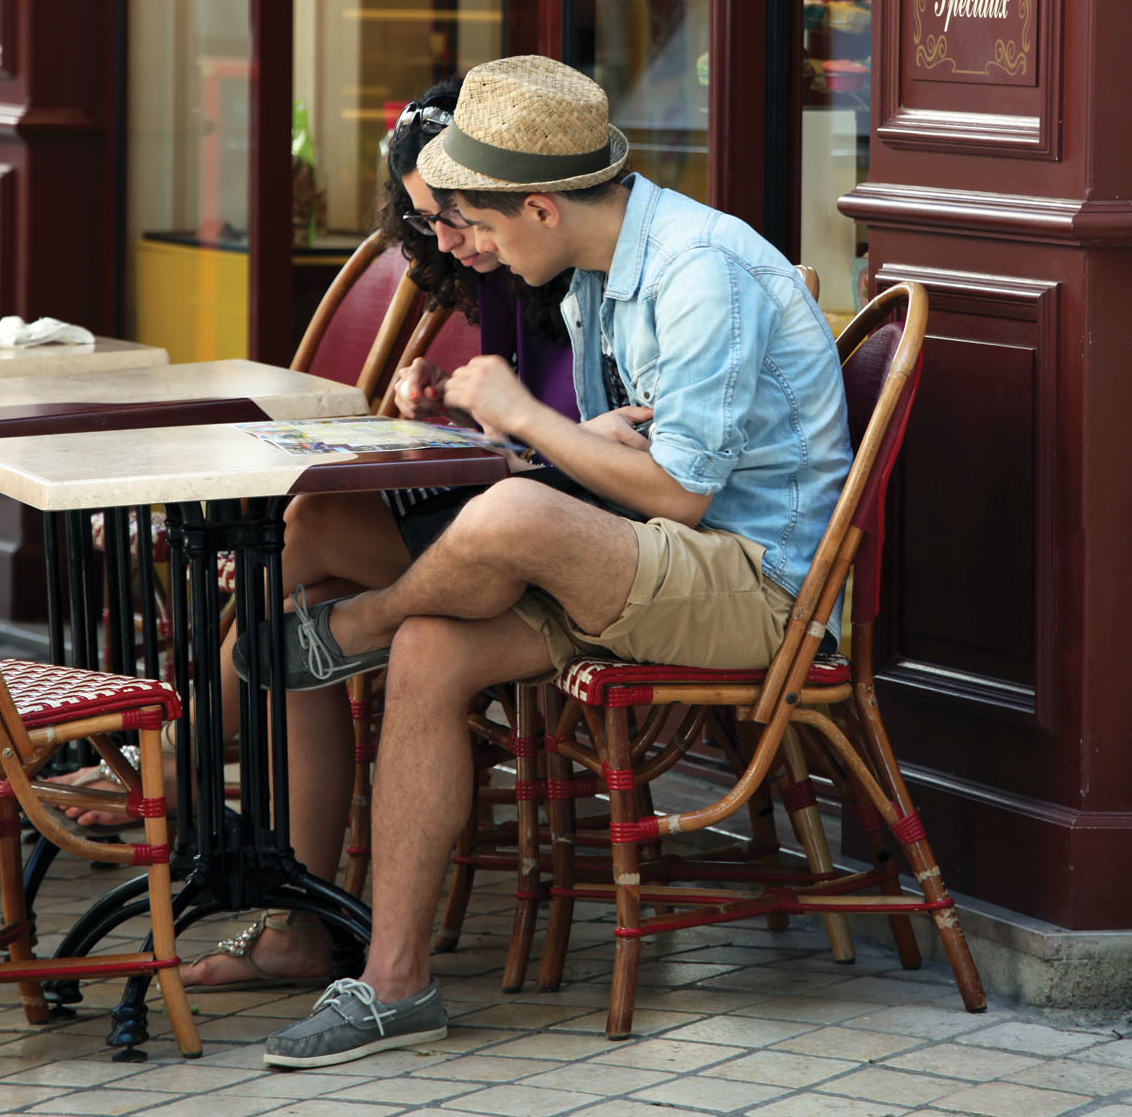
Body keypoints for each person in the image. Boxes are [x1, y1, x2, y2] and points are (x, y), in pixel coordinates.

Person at [240, 55, 853, 1068]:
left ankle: (355, 628)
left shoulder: (702, 271)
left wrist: (527, 419)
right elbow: (645, 459)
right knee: (438, 644)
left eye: (479, 221)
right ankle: (394, 982)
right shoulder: (603, 273)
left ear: (540, 205)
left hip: (754, 584)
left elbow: (683, 494)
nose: (468, 242)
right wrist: (572, 433)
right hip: (656, 558)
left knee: (513, 507)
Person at [174, 77, 582, 989]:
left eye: (453, 214)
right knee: (307, 599)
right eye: (424, 218)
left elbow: (581, 439)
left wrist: (502, 424)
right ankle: (296, 924)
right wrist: (449, 408)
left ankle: (170, 759)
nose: (444, 239)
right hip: (511, 507)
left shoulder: (566, 266)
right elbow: (525, 428)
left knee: (305, 535)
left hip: (556, 541)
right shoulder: (500, 270)